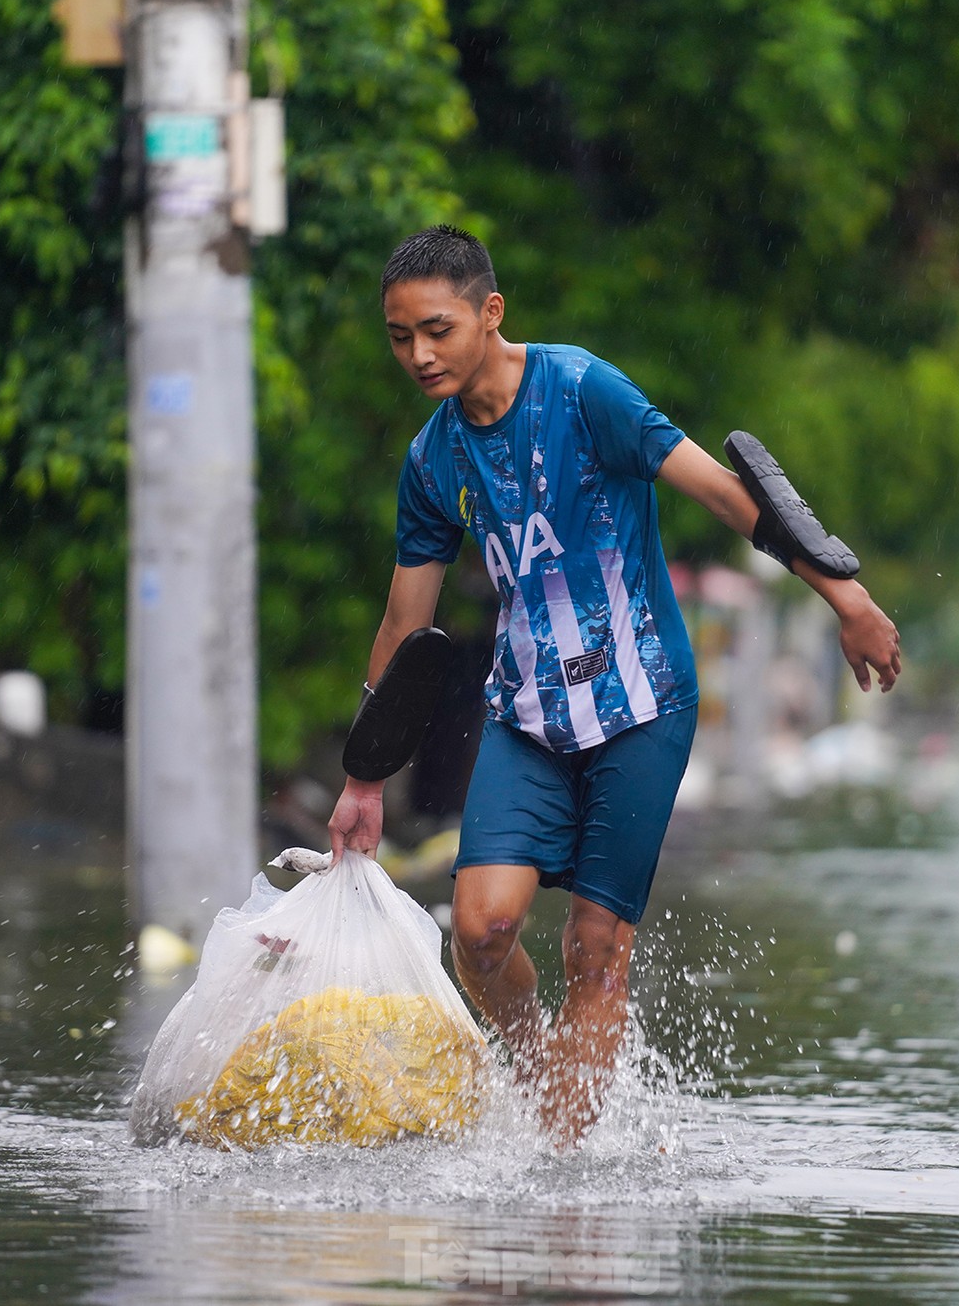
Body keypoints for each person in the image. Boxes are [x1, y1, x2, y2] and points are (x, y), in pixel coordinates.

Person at [325, 226, 902, 1145]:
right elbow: (405, 626)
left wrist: (846, 595)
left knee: (596, 948)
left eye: (437, 329)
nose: (420, 355)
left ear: (490, 312)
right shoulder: (432, 461)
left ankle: (566, 1170)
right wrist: (364, 780)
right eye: (400, 337)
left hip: (642, 706)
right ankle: (548, 1082)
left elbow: (721, 490)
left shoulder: (583, 391)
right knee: (479, 931)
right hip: (525, 716)